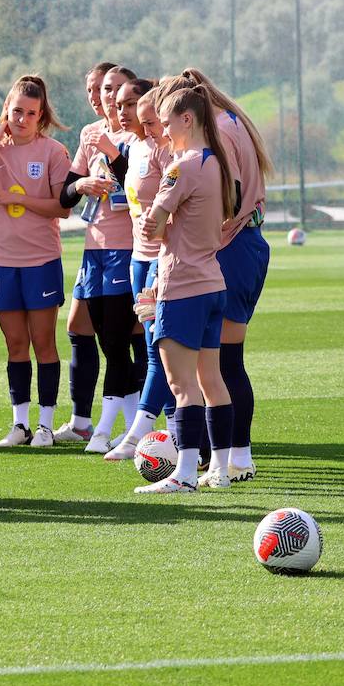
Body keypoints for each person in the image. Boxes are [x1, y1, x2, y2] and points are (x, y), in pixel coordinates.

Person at [163, 69, 271, 483]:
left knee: (220, 363)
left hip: (230, 248)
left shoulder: (219, 132)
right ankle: (228, 458)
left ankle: (233, 457)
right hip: (247, 243)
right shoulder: (233, 119)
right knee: (225, 361)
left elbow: (231, 198)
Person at [134, 82, 238, 493]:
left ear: (187, 120)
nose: (161, 132)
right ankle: (222, 470)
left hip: (183, 285)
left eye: (165, 124)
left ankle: (185, 474)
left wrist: (155, 226)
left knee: (182, 385)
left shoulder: (184, 165)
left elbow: (152, 225)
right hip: (212, 283)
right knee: (212, 380)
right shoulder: (215, 162)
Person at [0, 75, 71, 448]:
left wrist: (9, 198)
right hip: (3, 262)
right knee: (15, 344)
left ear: (41, 117)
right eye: (16, 111)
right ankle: (20, 425)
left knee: (44, 342)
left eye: (30, 113)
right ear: (7, 111)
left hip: (41, 258)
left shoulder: (53, 151)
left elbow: (61, 207)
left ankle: (45, 425)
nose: (22, 119)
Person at [52, 64, 143, 452]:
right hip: (95, 249)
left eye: (116, 89)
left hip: (129, 247)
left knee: (125, 338)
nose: (107, 97)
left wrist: (114, 157)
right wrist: (83, 184)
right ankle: (111, 423)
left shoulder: (141, 135)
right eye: (104, 90)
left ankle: (117, 427)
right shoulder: (90, 134)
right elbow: (63, 196)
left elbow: (140, 188)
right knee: (104, 336)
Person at [106, 82, 178, 459]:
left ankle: (136, 436)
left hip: (160, 260)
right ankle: (175, 436)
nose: (127, 114)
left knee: (157, 351)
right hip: (138, 259)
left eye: (135, 108)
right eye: (120, 105)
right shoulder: (132, 148)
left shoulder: (168, 152)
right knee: (153, 349)